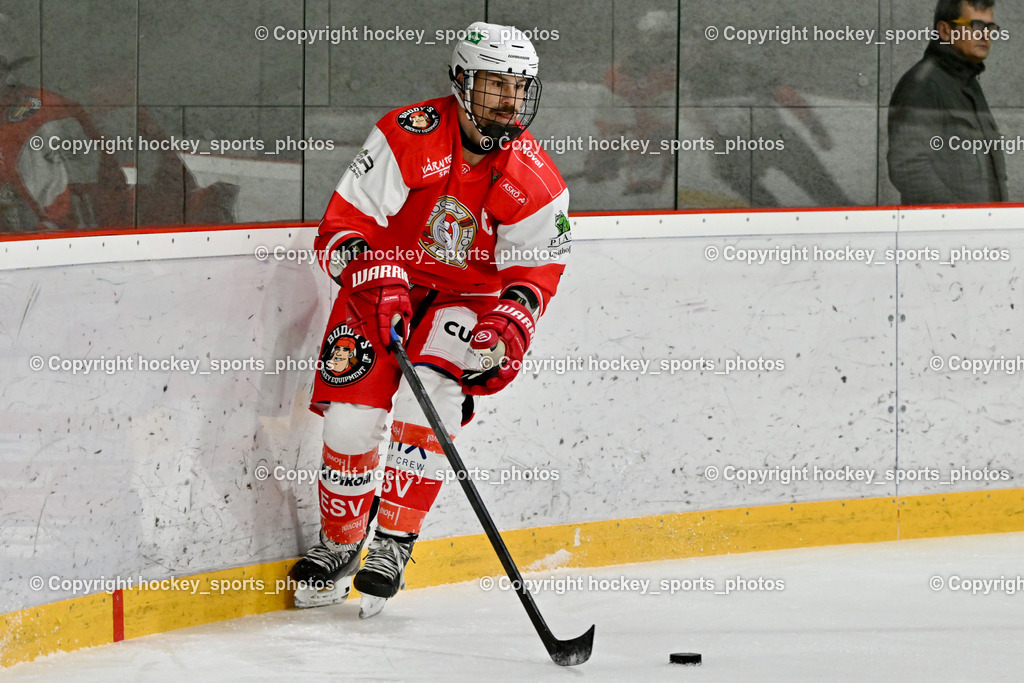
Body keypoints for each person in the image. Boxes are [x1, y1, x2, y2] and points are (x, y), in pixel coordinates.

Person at [289, 21, 570, 618]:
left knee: (433, 405)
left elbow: (535, 273)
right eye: (496, 86)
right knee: (348, 423)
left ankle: (393, 542)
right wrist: (372, 275)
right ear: (462, 83)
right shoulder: (404, 133)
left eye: (520, 88)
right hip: (380, 286)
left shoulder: (535, 178)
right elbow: (341, 231)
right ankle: (340, 545)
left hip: (464, 301)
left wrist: (510, 326)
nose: (511, 102)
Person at [887, 0, 1007, 205]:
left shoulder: (967, 83)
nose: (985, 34)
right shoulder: (923, 84)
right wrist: (957, 217)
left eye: (990, 27)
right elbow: (908, 168)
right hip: (948, 231)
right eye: (976, 26)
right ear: (945, 31)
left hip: (983, 229)